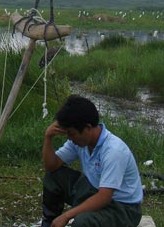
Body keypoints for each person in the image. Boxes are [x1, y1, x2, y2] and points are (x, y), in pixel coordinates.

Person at [41, 95, 143, 227]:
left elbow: (104, 197)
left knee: (83, 222)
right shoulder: (79, 141)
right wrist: (48, 137)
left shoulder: (114, 151)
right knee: (54, 177)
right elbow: (51, 166)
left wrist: (67, 215)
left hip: (123, 208)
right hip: (93, 190)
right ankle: (50, 224)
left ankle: (65, 220)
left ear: (87, 128)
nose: (70, 138)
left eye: (71, 134)